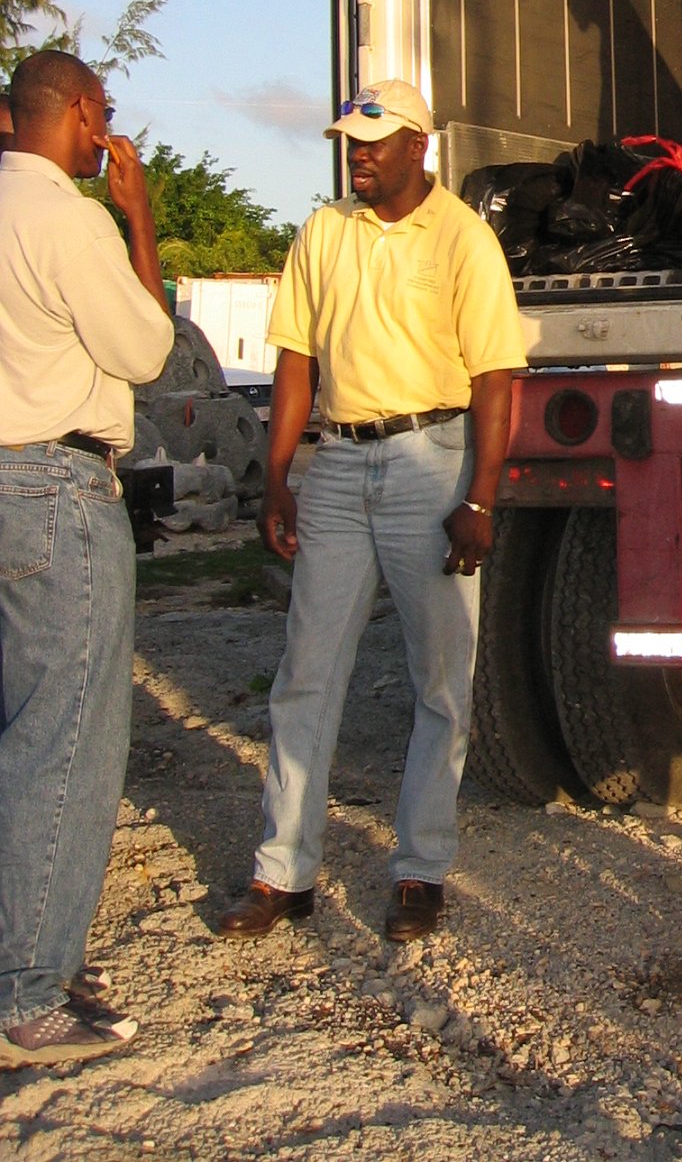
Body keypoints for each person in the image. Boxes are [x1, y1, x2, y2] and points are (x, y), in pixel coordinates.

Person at [218, 80, 524, 946]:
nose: (359, 152)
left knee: (440, 682)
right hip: (341, 466)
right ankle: (282, 873)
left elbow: (498, 377)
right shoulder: (323, 231)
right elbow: (294, 363)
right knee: (305, 675)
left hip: (433, 462)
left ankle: (420, 869)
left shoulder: (464, 237)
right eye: (352, 139)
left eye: (375, 139)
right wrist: (279, 476)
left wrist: (479, 497)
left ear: (418, 146)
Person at [0, 50, 172, 1067]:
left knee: (17, 730)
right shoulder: (69, 216)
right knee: (63, 739)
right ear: (72, 113)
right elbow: (148, 350)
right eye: (102, 112)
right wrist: (137, 213)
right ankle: (27, 988)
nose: (106, 130)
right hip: (55, 490)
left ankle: (30, 946)